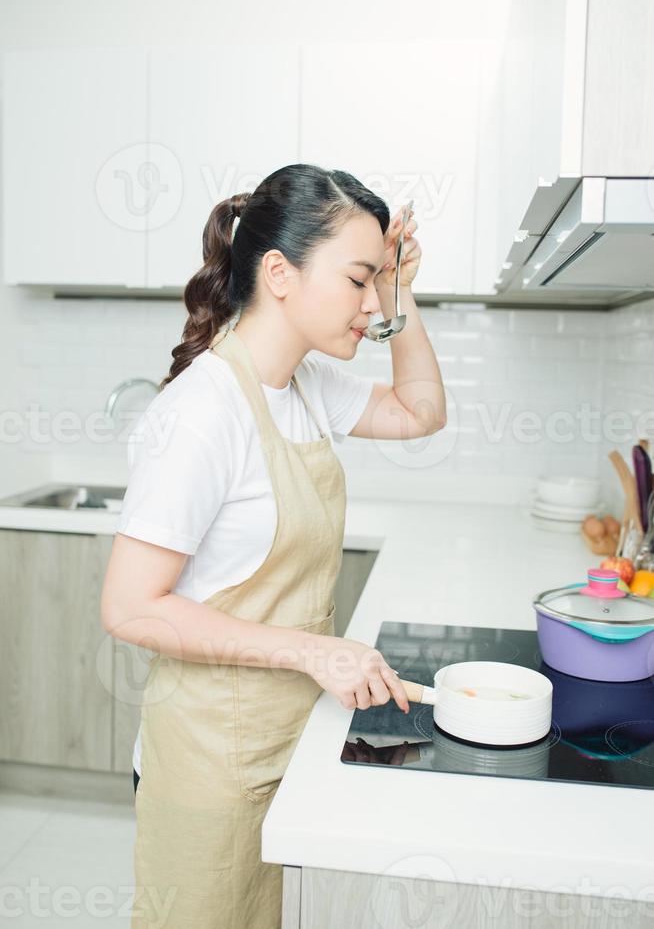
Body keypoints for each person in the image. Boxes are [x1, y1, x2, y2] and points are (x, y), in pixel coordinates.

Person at [100, 163, 446, 928]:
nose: (368, 306)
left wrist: (399, 295)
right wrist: (311, 651)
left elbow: (420, 411)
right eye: (358, 280)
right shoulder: (202, 411)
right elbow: (128, 608)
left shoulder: (306, 384)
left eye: (375, 283)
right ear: (280, 273)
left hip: (291, 738)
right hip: (210, 761)